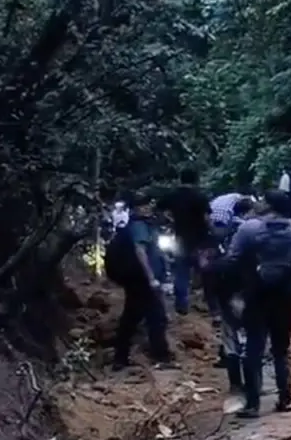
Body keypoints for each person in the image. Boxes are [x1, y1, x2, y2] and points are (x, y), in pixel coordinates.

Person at [224, 189, 291, 418]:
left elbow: (232, 259)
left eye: (263, 200)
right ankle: (285, 398)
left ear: (269, 205)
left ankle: (252, 404)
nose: (259, 203)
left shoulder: (248, 229)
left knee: (253, 347)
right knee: (281, 348)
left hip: (256, 294)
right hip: (286, 295)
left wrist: (235, 288)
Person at [109, 192, 176, 370]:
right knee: (156, 316)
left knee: (131, 316)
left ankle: (120, 358)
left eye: (147, 204)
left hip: (136, 279)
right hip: (142, 279)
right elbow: (140, 251)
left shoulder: (140, 225)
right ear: (134, 209)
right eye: (142, 205)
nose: (146, 208)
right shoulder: (139, 226)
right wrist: (151, 278)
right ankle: (161, 356)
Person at [210, 196, 258, 394]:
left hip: (226, 287)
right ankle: (253, 385)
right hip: (248, 288)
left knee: (230, 339)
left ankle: (235, 384)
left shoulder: (223, 232)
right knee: (251, 337)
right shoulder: (253, 231)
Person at [160, 168, 212, 315]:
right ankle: (208, 303)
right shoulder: (200, 197)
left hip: (180, 239)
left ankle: (181, 304)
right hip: (200, 240)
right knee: (204, 271)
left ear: (180, 179)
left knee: (181, 272)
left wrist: (171, 220)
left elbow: (160, 209)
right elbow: (206, 219)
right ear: (196, 180)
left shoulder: (173, 195)